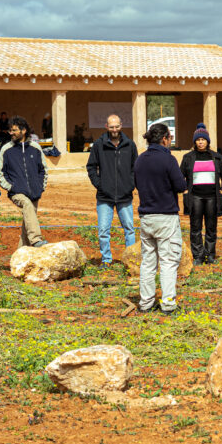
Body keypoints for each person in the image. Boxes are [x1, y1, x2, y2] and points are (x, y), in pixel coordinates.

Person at [134, 123, 187, 313]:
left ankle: (145, 302)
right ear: (164, 138)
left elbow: (137, 184)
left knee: (148, 262)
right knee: (168, 262)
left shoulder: (140, 160)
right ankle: (168, 303)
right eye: (170, 137)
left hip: (146, 216)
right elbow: (180, 186)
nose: (170, 141)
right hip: (166, 216)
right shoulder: (168, 159)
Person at [86, 113, 138, 265]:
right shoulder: (98, 145)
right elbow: (91, 167)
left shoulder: (130, 145)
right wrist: (99, 184)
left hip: (125, 195)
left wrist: (130, 185)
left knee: (129, 229)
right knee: (103, 231)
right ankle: (106, 260)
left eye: (117, 126)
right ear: (106, 127)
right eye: (111, 127)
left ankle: (130, 260)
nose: (114, 129)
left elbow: (136, 167)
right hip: (104, 196)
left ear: (121, 126)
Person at [180, 123, 222, 265]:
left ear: (207, 141)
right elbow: (180, 175)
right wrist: (184, 190)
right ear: (194, 142)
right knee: (195, 227)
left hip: (212, 197)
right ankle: (198, 256)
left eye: (203, 139)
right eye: (198, 140)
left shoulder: (216, 157)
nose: (200, 142)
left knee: (211, 227)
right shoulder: (188, 157)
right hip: (195, 196)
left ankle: (210, 255)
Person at [0, 116, 49, 249]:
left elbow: (43, 169)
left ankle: (21, 254)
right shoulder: (6, 149)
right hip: (17, 192)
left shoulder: (35, 148)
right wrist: (11, 187)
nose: (11, 133)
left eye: (14, 130)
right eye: (10, 130)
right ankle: (37, 240)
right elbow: (0, 172)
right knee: (26, 205)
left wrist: (40, 187)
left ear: (24, 130)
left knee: (28, 223)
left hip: (35, 191)